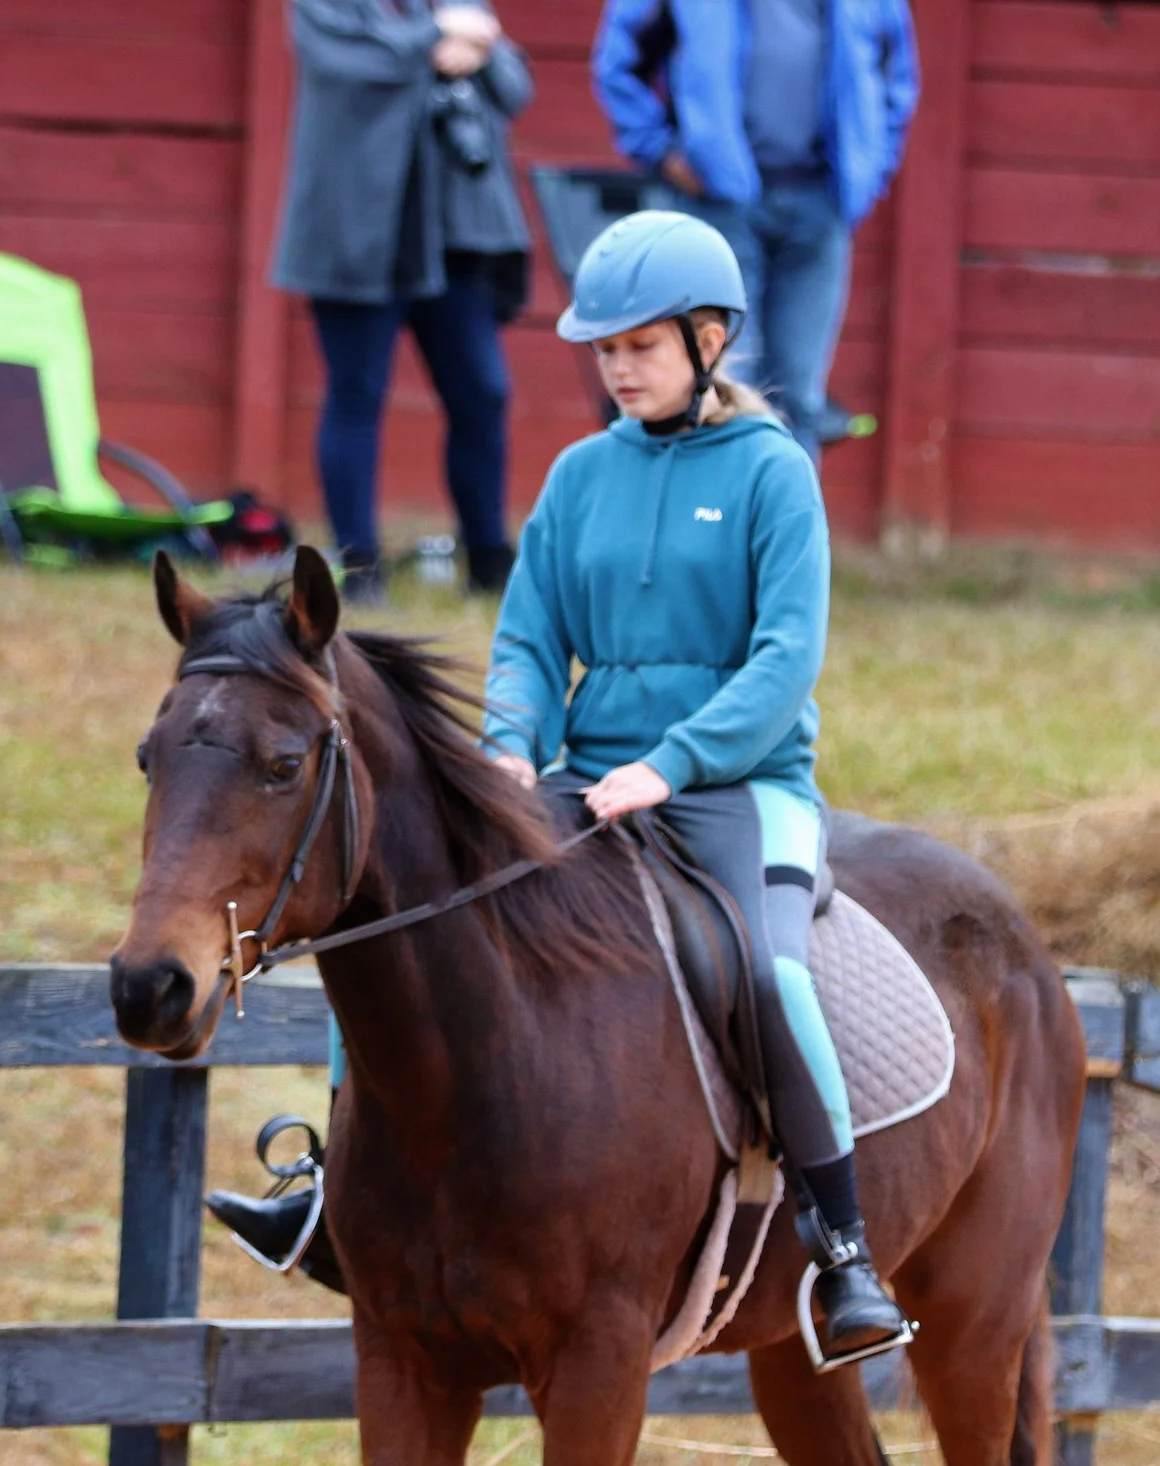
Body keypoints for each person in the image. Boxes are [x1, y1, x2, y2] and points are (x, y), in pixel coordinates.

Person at [211, 213, 910, 1371]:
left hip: (739, 783)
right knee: (390, 920)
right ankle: (329, 1186)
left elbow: (784, 660)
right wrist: (511, 745)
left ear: (709, 337)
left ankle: (841, 1246)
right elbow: (529, 636)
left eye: (641, 346)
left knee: (767, 967)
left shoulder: (774, 473)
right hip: (582, 778)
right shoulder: (579, 476)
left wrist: (670, 762)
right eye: (604, 350)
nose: (620, 368)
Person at [271, 0, 534, 601]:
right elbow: (356, 66)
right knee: (356, 392)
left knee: (482, 391)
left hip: (454, 237)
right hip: (358, 234)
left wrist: (477, 43)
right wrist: (439, 37)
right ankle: (359, 567)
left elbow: (513, 88)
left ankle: (489, 557)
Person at [591, 0, 917, 462]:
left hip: (820, 206)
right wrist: (660, 151)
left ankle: (788, 531)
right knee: (725, 387)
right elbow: (619, 64)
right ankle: (718, 528)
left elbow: (895, 77)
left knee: (801, 396)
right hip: (720, 205)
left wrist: (868, 167)